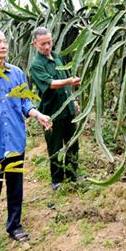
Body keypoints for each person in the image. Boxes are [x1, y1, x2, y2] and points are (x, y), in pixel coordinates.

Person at [0, 29, 51, 251]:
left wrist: (38, 114)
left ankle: (14, 226)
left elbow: (25, 103)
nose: (3, 45)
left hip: (14, 140)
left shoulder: (17, 73)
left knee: (15, 188)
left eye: (5, 41)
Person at [29, 27, 81, 191]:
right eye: (43, 44)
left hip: (68, 109)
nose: (47, 47)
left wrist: (74, 100)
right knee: (55, 147)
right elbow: (50, 84)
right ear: (34, 44)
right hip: (51, 113)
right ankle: (57, 180)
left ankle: (73, 176)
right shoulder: (36, 65)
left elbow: (66, 80)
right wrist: (69, 81)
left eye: (49, 42)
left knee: (73, 143)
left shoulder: (58, 58)